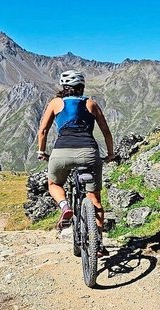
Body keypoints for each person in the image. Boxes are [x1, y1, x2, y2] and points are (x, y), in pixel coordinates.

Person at [37, 69, 114, 255]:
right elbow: (106, 132)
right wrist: (110, 154)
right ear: (82, 87)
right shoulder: (91, 103)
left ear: (64, 87)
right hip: (88, 152)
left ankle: (64, 206)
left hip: (61, 152)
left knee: (54, 183)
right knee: (94, 199)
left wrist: (41, 151)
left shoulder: (56, 103)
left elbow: (43, 131)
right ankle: (98, 243)